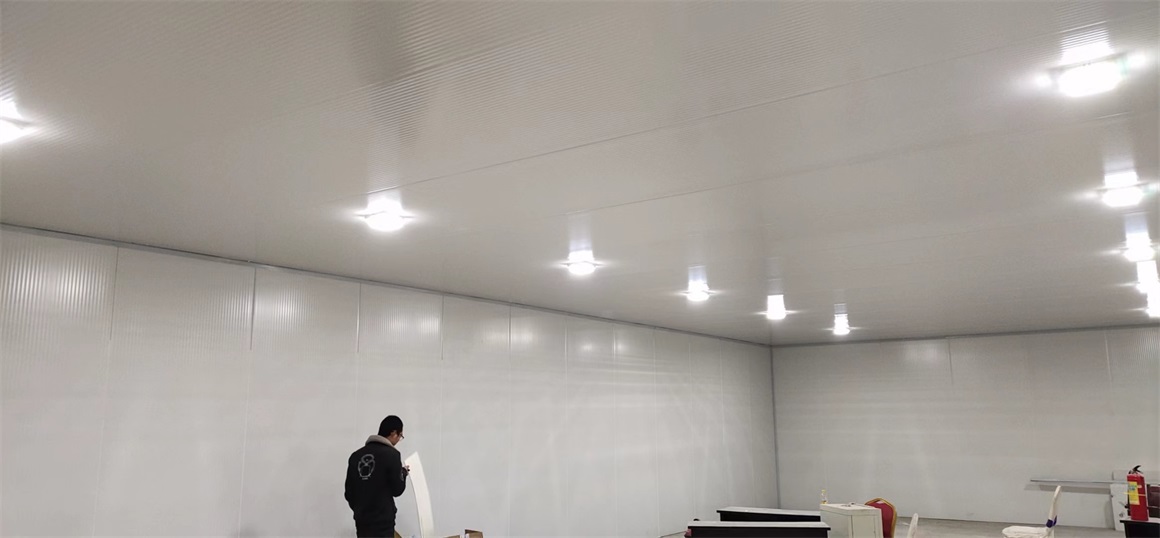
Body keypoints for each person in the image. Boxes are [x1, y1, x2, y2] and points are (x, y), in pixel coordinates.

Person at [345, 415, 409, 538]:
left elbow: (349, 493)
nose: (398, 440)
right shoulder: (392, 455)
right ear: (393, 433)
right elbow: (397, 489)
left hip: (362, 523)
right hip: (383, 525)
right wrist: (403, 473)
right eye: (400, 436)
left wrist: (360, 511)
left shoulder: (355, 456)